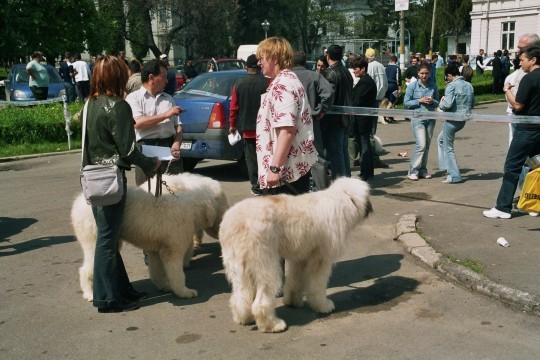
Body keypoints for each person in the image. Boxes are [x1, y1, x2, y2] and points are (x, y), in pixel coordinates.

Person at [83, 55, 160, 313]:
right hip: (110, 179)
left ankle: (121, 289)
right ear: (117, 76)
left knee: (109, 236)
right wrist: (151, 164)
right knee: (107, 238)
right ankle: (107, 297)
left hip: (92, 178)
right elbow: (128, 150)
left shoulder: (89, 105)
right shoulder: (118, 106)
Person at [483, 44, 540, 219]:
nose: (520, 63)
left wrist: (507, 90)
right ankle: (533, 204)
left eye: (522, 60)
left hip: (525, 129)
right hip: (538, 129)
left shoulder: (529, 79)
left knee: (512, 166)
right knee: (535, 166)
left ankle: (503, 207)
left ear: (533, 60)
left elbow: (517, 105)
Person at [255, 37, 317, 195]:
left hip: (284, 174)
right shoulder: (288, 80)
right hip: (290, 170)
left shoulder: (283, 85)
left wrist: (274, 168)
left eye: (261, 58)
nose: (258, 63)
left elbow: (287, 130)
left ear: (274, 57)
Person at [125, 59, 183, 186]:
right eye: (164, 77)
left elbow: (178, 126)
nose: (167, 81)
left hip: (169, 149)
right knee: (146, 196)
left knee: (176, 194)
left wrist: (176, 144)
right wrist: (166, 114)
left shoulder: (168, 99)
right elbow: (138, 123)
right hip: (146, 151)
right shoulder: (134, 98)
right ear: (151, 77)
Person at [292, 51, 335, 190]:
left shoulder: (287, 77)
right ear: (305, 62)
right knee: (317, 158)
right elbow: (328, 93)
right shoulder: (314, 76)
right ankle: (324, 191)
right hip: (310, 121)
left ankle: (297, 190)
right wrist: (322, 110)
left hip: (289, 123)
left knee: (293, 156)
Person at [229, 54, 270, 196]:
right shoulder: (268, 83)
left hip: (248, 128)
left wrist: (232, 125)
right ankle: (267, 182)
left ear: (246, 67)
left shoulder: (239, 83)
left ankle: (255, 184)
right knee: (266, 155)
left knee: (251, 158)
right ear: (259, 66)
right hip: (265, 128)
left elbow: (234, 107)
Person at [437, 63, 475, 184]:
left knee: (448, 148)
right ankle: (446, 167)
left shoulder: (451, 86)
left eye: (446, 77)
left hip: (452, 119)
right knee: (441, 139)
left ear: (449, 75)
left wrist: (440, 102)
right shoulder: (469, 85)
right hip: (463, 119)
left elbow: (447, 105)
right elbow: (472, 104)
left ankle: (454, 175)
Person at [404, 63, 439, 181]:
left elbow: (438, 103)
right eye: (422, 73)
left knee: (427, 146)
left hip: (431, 118)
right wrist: (419, 100)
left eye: (427, 73)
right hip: (418, 118)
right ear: (418, 73)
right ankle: (413, 171)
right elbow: (406, 103)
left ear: (430, 73)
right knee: (421, 145)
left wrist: (432, 101)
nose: (424, 76)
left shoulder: (433, 86)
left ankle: (423, 170)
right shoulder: (412, 86)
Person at [323, 44, 353, 179]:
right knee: (342, 151)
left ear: (327, 56)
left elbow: (329, 97)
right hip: (346, 116)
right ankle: (346, 180)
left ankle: (340, 182)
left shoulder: (331, 73)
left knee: (336, 153)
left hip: (335, 118)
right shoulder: (345, 71)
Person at [351, 57, 377, 181]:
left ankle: (366, 172)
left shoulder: (366, 82)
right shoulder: (364, 81)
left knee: (364, 146)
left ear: (363, 69)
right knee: (363, 145)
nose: (354, 71)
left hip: (363, 120)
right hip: (362, 119)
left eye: (355, 69)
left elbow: (357, 100)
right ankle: (366, 171)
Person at [365, 48, 389, 169]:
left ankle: (371, 154)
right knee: (373, 127)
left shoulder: (369, 67)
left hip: (370, 98)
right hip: (378, 98)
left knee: (368, 129)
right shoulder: (381, 66)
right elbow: (385, 83)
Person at [384, 55, 402, 120]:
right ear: (396, 61)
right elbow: (398, 79)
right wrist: (399, 88)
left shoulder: (386, 67)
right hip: (393, 86)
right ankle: (389, 115)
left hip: (386, 85)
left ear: (391, 60)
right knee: (392, 101)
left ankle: (386, 116)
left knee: (386, 101)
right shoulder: (397, 68)